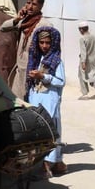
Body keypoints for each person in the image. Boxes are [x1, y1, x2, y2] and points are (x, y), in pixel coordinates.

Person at [27, 26, 67, 176]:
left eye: (47, 43)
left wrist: (43, 77)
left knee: (51, 132)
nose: (44, 46)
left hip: (50, 101)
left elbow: (61, 81)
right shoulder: (36, 59)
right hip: (36, 100)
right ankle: (57, 163)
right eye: (41, 42)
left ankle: (47, 166)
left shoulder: (56, 61)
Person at [2, 0, 50, 98]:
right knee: (17, 101)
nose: (30, 7)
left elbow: (49, 51)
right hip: (19, 69)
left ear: (41, 6)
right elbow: (3, 28)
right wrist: (17, 18)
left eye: (34, 4)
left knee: (31, 101)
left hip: (33, 69)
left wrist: (42, 73)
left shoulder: (44, 25)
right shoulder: (22, 22)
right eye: (28, 3)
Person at [78, 21, 95, 99]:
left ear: (81, 30)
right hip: (93, 60)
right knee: (94, 75)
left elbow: (83, 52)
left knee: (82, 76)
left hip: (85, 61)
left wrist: (83, 62)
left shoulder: (82, 39)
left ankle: (85, 94)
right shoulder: (93, 37)